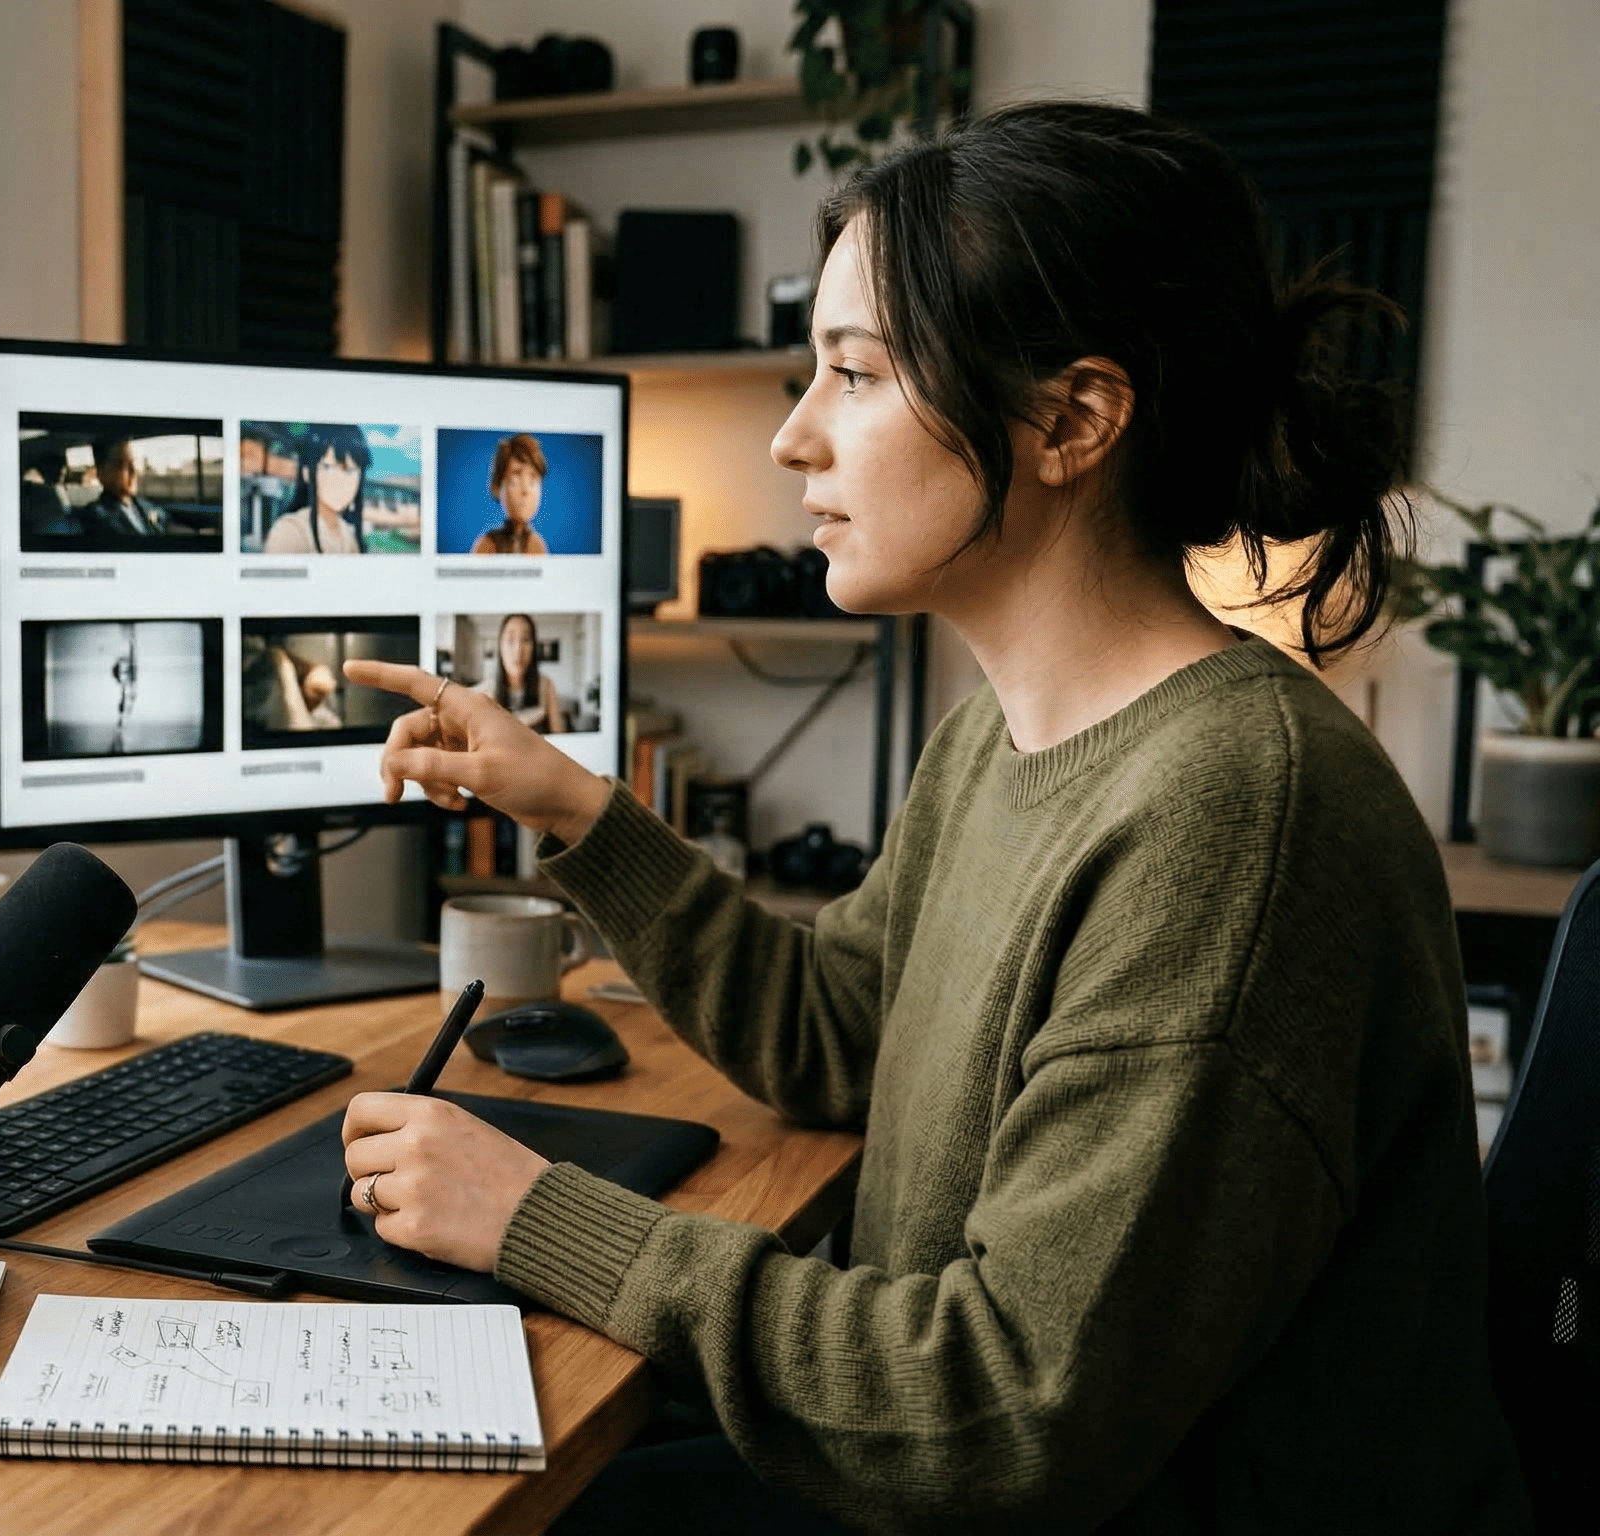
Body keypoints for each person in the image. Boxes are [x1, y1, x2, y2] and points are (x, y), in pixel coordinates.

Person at [338, 102, 1528, 1532]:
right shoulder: (998, 736)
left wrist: (539, 1220)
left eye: (852, 373)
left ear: (1072, 420)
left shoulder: (1233, 819)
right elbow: (842, 1034)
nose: (792, 439)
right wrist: (576, 808)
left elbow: (1006, 1412)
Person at [261, 425, 371, 554]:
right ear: (306, 473)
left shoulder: (349, 535)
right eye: (328, 467)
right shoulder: (289, 532)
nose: (339, 480)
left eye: (350, 470)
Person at [77, 436, 173, 540]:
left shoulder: (146, 505)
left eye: (133, 463)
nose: (133, 470)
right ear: (101, 474)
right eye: (121, 464)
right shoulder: (96, 515)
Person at [480, 614, 563, 734]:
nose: (518, 650)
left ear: (533, 647)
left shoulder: (545, 686)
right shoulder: (485, 693)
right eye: (510, 640)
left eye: (526, 640)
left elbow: (560, 738)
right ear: (500, 646)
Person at [469, 433, 551, 554]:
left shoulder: (537, 546)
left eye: (532, 481)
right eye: (515, 480)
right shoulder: (487, 545)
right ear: (497, 487)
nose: (525, 490)